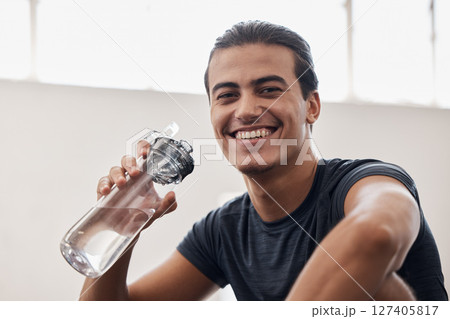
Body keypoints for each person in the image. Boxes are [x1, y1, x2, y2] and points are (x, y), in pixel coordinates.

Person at [80, 21, 447, 301]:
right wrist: (120, 233)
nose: (247, 110)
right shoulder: (224, 231)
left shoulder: (366, 184)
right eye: (227, 95)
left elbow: (375, 233)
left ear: (312, 106)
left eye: (269, 90)